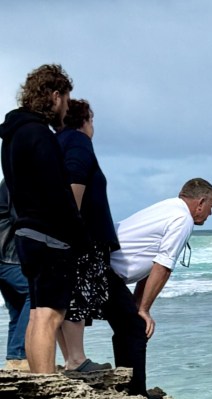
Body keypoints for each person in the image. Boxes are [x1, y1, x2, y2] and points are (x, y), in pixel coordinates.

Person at [0, 64, 87, 374]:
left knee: (38, 313)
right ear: (54, 95)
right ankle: (47, 382)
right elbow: (57, 191)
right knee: (50, 315)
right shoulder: (39, 134)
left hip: (25, 232)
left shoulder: (13, 134)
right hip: (49, 234)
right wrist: (78, 234)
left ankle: (41, 384)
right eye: (66, 99)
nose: (66, 106)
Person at [110, 178, 212, 341]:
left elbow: (151, 265)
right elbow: (163, 267)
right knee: (136, 330)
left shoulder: (167, 207)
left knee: (132, 327)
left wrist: (138, 304)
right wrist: (144, 310)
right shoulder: (183, 219)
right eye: (211, 207)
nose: (211, 213)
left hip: (97, 265)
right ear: (201, 202)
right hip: (105, 272)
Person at [55, 98, 115, 373]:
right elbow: (75, 181)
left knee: (62, 298)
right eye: (91, 120)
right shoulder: (78, 141)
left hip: (61, 233)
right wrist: (74, 228)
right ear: (83, 120)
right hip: (81, 235)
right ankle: (77, 359)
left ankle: (70, 359)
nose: (93, 127)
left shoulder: (57, 142)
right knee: (77, 295)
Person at [0, 179, 30, 369]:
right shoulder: (17, 179)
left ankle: (14, 360)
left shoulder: (10, 180)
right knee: (36, 294)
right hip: (8, 256)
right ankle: (20, 355)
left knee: (18, 309)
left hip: (5, 257)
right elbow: (21, 218)